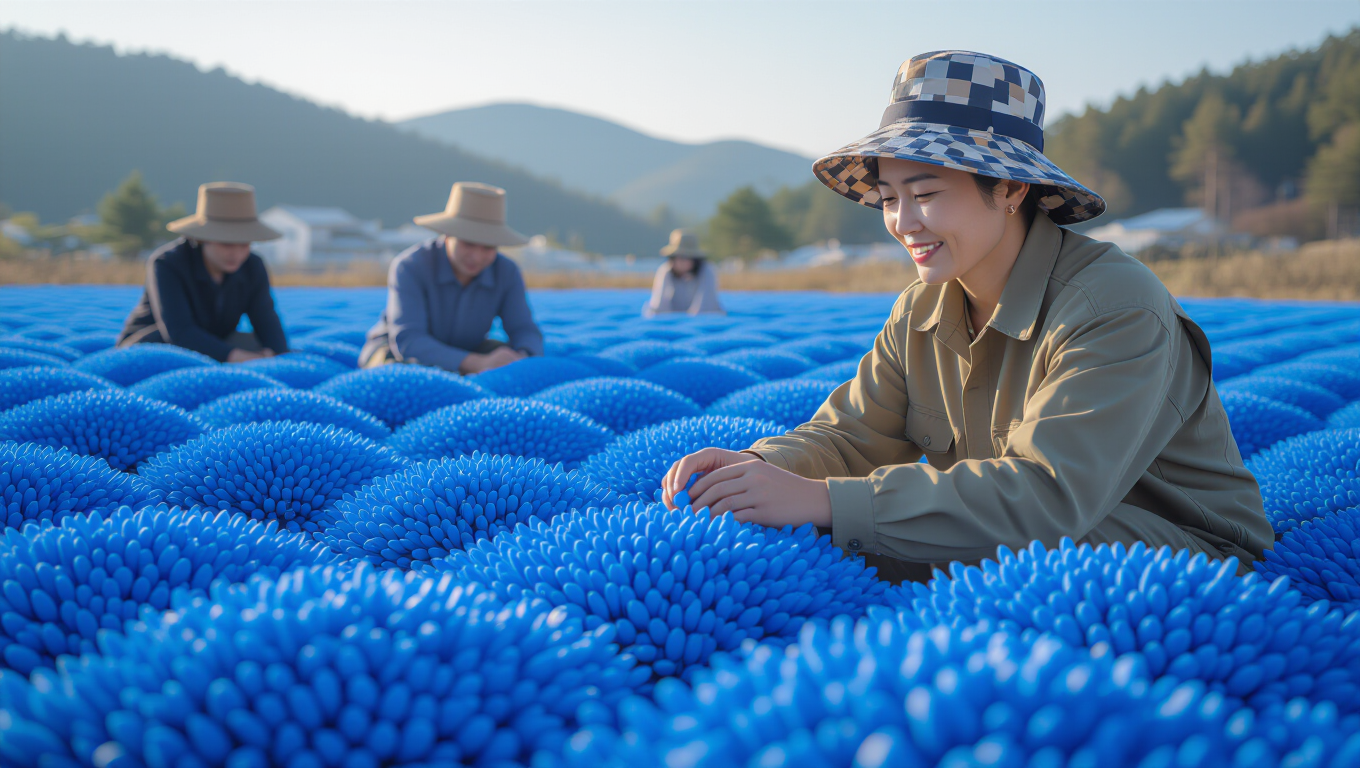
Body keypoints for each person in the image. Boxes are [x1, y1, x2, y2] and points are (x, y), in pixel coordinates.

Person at [662, 51, 1271, 582]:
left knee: (948, 545)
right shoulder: (921, 308)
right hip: (1027, 527)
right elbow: (852, 434)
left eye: (926, 195)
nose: (904, 223)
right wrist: (762, 466)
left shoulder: (1112, 305)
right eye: (890, 199)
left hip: (1173, 548)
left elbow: (1049, 498)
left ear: (1010, 190)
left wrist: (824, 502)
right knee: (853, 538)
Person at [359, 182, 544, 374]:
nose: (477, 256)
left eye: (488, 247)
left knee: (509, 362)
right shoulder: (410, 266)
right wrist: (478, 364)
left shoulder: (506, 272)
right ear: (447, 235)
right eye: (469, 244)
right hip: (396, 351)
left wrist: (522, 357)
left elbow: (524, 329)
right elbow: (409, 341)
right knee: (396, 377)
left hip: (467, 349)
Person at [117, 182, 288, 363]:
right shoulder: (168, 263)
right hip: (153, 345)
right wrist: (239, 358)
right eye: (227, 244)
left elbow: (265, 319)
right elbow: (179, 331)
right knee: (160, 350)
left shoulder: (252, 266)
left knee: (255, 344)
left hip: (213, 341)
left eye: (245, 244)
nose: (237, 254)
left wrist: (279, 356)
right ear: (202, 238)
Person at [643, 229, 724, 317]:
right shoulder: (665, 271)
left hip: (700, 320)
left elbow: (707, 306)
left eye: (688, 257)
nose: (683, 261)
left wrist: (690, 321)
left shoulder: (707, 270)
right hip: (673, 319)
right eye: (679, 257)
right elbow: (658, 305)